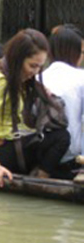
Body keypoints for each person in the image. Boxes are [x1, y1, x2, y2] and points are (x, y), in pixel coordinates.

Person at [0, 29, 70, 188]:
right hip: (1, 151)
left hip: (15, 144)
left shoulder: (22, 80)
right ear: (18, 59)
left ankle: (41, 176)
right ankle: (39, 182)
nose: (35, 72)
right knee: (61, 139)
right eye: (32, 66)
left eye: (39, 67)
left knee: (61, 137)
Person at [41, 25, 84, 167]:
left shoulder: (37, 77)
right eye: (82, 52)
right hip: (71, 156)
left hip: (41, 152)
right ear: (75, 53)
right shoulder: (81, 77)